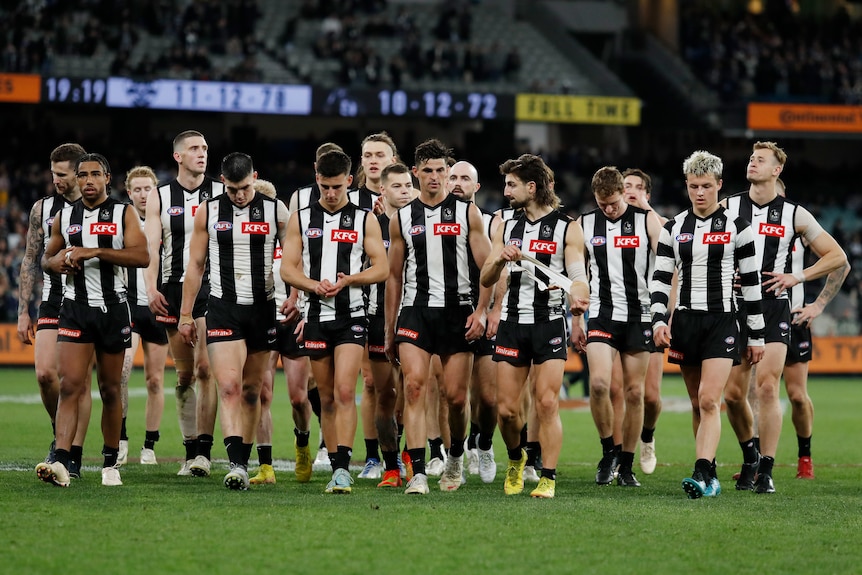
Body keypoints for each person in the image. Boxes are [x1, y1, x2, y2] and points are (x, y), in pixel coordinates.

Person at [721, 142, 847, 494]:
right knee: (733, 395)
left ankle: (766, 469)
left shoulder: (795, 214)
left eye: (760, 160)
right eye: (751, 158)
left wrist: (798, 277)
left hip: (776, 307)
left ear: (777, 170)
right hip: (736, 306)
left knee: (767, 387)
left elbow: (837, 256)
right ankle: (750, 458)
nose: (752, 163)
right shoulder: (729, 207)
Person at [650, 149, 765, 499]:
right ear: (686, 185)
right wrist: (658, 319)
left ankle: (701, 473)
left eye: (706, 186)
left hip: (723, 321)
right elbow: (660, 278)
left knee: (711, 399)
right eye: (693, 186)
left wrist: (757, 334)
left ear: (719, 185)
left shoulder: (738, 228)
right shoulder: (674, 227)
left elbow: (751, 282)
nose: (699, 193)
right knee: (699, 404)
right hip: (685, 321)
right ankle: (711, 472)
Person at [35, 152, 149, 487]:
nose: (87, 181)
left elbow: (141, 256)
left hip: (114, 310)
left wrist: (95, 252)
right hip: (74, 309)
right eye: (82, 175)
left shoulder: (123, 213)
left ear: (107, 178)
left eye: (94, 174)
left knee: (110, 389)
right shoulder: (64, 215)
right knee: (70, 385)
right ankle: (62, 458)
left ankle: (110, 462)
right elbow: (47, 257)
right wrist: (55, 264)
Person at [385, 138, 492, 495]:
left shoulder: (467, 213)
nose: (434, 177)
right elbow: (394, 277)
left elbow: (488, 268)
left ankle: (456, 457)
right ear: (415, 173)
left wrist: (482, 311)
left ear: (448, 173)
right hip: (414, 313)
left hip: (457, 313)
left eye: (440, 171)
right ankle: (417, 472)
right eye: (427, 171)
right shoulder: (401, 217)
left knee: (456, 398)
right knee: (414, 388)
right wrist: (390, 328)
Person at [480, 153, 590, 499]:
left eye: (512, 184)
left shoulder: (567, 227)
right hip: (512, 323)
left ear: (532, 186)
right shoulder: (504, 225)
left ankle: (548, 477)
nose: (506, 190)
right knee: (507, 410)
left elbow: (578, 277)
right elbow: (485, 276)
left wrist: (579, 297)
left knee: (546, 403)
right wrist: (499, 257)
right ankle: (516, 460)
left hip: (549, 323)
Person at [178, 153, 288, 491]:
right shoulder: (208, 211)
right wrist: (185, 313)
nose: (239, 195)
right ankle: (237, 465)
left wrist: (294, 299)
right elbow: (195, 266)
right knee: (228, 387)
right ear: (222, 181)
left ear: (255, 177)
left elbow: (295, 258)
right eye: (233, 189)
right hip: (223, 307)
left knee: (253, 391)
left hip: (263, 309)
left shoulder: (275, 210)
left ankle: (245, 456)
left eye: (245, 188)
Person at [280, 149, 388, 494]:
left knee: (344, 390)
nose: (330, 194)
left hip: (352, 316)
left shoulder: (364, 219)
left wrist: (349, 280)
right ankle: (336, 464)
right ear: (317, 181)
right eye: (324, 187)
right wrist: (314, 286)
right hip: (315, 316)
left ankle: (342, 468)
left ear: (349, 182)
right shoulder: (301, 218)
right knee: (325, 396)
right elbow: (287, 268)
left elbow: (382, 267)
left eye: (337, 187)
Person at [144, 130, 224, 477]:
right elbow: (151, 247)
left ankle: (203, 453)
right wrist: (150, 289)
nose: (201, 154)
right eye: (194, 148)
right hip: (172, 290)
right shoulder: (160, 195)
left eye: (204, 148)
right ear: (178, 156)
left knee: (207, 369)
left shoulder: (222, 192)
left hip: (213, 288)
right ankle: (189, 449)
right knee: (185, 375)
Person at [578, 166, 663, 487]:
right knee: (599, 384)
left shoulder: (646, 221)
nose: (609, 209)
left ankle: (626, 464)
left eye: (613, 203)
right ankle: (608, 451)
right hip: (601, 314)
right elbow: (576, 272)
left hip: (639, 315)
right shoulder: (585, 223)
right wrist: (575, 318)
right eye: (602, 204)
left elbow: (668, 265)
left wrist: (662, 315)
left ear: (621, 194)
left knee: (635, 392)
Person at [17, 143, 92, 478]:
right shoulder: (42, 209)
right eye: (53, 174)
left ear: (78, 173)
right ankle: (58, 428)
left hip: (91, 301)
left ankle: (71, 455)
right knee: (46, 374)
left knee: (78, 381)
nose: (55, 180)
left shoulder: (100, 208)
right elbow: (31, 259)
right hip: (52, 301)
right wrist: (23, 311)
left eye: (61, 175)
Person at [780, 178, 849, 479]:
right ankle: (753, 458)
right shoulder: (747, 226)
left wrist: (817, 306)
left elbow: (841, 264)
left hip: (793, 318)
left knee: (796, 395)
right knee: (756, 392)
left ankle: (804, 456)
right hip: (753, 316)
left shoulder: (798, 225)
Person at [247, 178, 313, 486]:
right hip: (261, 321)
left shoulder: (295, 240)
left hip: (291, 318)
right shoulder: (244, 241)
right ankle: (266, 465)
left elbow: (307, 275)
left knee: (299, 398)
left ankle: (302, 443)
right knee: (262, 393)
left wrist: (300, 303)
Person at [447, 159, 502, 484]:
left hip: (482, 314)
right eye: (452, 176)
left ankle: (483, 444)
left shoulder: (488, 222)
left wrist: (492, 311)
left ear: (476, 187)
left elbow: (499, 270)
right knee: (451, 394)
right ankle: (450, 452)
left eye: (464, 178)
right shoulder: (435, 217)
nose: (457, 182)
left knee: (489, 398)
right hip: (450, 315)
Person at [367, 162, 418, 488]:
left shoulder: (421, 223)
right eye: (396, 186)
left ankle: (417, 457)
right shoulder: (369, 225)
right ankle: (389, 466)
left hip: (416, 314)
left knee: (415, 390)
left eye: (407, 185)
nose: (404, 191)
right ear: (382, 190)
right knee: (385, 394)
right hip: (376, 316)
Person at [354, 132, 398, 479]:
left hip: (406, 304)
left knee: (408, 385)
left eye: (380, 155)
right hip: (366, 305)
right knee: (372, 384)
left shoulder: (408, 201)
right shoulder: (349, 202)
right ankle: (373, 457)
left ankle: (414, 454)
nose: (373, 160)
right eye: (367, 155)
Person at [120, 166, 170, 465]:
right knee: (123, 371)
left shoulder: (164, 223)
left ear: (156, 191)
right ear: (129, 193)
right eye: (137, 189)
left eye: (148, 189)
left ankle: (149, 445)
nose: (142, 194)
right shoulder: (122, 222)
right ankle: (122, 437)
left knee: (155, 380)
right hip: (129, 308)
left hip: (158, 308)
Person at [621, 168, 668, 475]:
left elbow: (669, 250)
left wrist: (666, 317)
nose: (633, 191)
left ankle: (647, 436)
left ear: (648, 194)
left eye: (639, 187)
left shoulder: (657, 223)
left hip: (648, 315)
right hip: (613, 316)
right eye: (627, 186)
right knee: (616, 391)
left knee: (649, 396)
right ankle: (615, 455)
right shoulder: (609, 223)